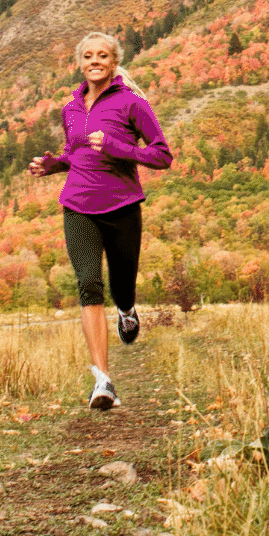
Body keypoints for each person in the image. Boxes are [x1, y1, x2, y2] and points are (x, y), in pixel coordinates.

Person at [28, 32, 172, 410]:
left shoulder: (131, 104)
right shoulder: (70, 109)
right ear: (80, 63)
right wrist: (52, 165)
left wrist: (117, 147)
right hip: (77, 206)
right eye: (88, 55)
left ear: (113, 62)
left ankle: (126, 309)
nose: (95, 61)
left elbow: (162, 156)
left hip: (122, 206)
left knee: (121, 285)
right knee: (88, 284)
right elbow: (73, 154)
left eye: (103, 56)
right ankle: (103, 381)